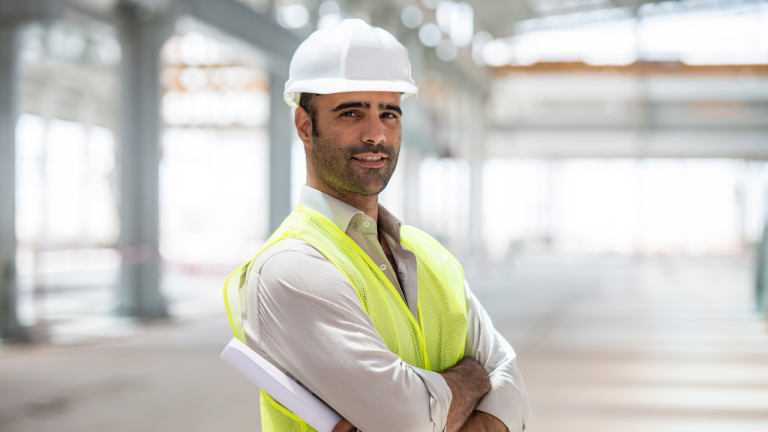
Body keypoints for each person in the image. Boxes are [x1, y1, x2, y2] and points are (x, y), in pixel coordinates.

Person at [223, 19, 531, 432]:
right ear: (305, 126)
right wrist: (474, 377)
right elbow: (406, 421)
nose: (376, 134)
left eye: (389, 113)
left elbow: (512, 387)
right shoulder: (289, 268)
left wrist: (432, 405)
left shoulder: (431, 254)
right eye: (351, 112)